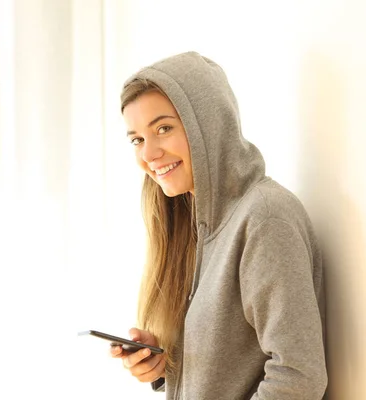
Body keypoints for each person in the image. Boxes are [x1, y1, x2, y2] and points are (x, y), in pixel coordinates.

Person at [110, 51, 327, 399]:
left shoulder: (265, 218)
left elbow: (299, 377)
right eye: (137, 139)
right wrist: (164, 363)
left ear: (208, 125)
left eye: (163, 128)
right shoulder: (196, 226)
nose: (148, 154)